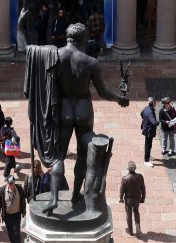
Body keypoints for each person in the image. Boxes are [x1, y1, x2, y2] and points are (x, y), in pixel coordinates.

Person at [17, 20, 129, 217]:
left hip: (64, 110)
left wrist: (20, 26)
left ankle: (53, 199)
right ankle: (77, 194)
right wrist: (119, 98)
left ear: (67, 37)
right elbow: (102, 92)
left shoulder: (53, 55)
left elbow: (25, 49)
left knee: (59, 155)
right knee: (85, 154)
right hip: (84, 110)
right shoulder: (91, 62)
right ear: (83, 38)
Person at [0, 173, 28, 243]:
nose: (11, 185)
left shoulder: (19, 189)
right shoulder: (2, 191)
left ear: (14, 182)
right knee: (10, 233)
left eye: (12, 183)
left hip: (17, 214)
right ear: (7, 183)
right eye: (9, 183)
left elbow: (23, 201)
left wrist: (24, 212)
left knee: (16, 232)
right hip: (7, 215)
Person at [119, 160, 146, 237]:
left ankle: (130, 231)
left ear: (128, 169)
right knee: (136, 212)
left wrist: (121, 198)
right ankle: (138, 228)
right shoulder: (140, 177)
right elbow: (143, 188)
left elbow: (122, 190)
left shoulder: (125, 179)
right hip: (137, 198)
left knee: (129, 214)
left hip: (128, 200)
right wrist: (143, 197)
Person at [140, 97, 159, 167]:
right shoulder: (151, 112)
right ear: (153, 103)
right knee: (148, 145)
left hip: (146, 128)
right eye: (155, 102)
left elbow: (141, 114)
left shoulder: (146, 108)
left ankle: (148, 156)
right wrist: (158, 122)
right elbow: (154, 122)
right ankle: (146, 160)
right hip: (149, 131)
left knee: (148, 144)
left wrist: (146, 120)